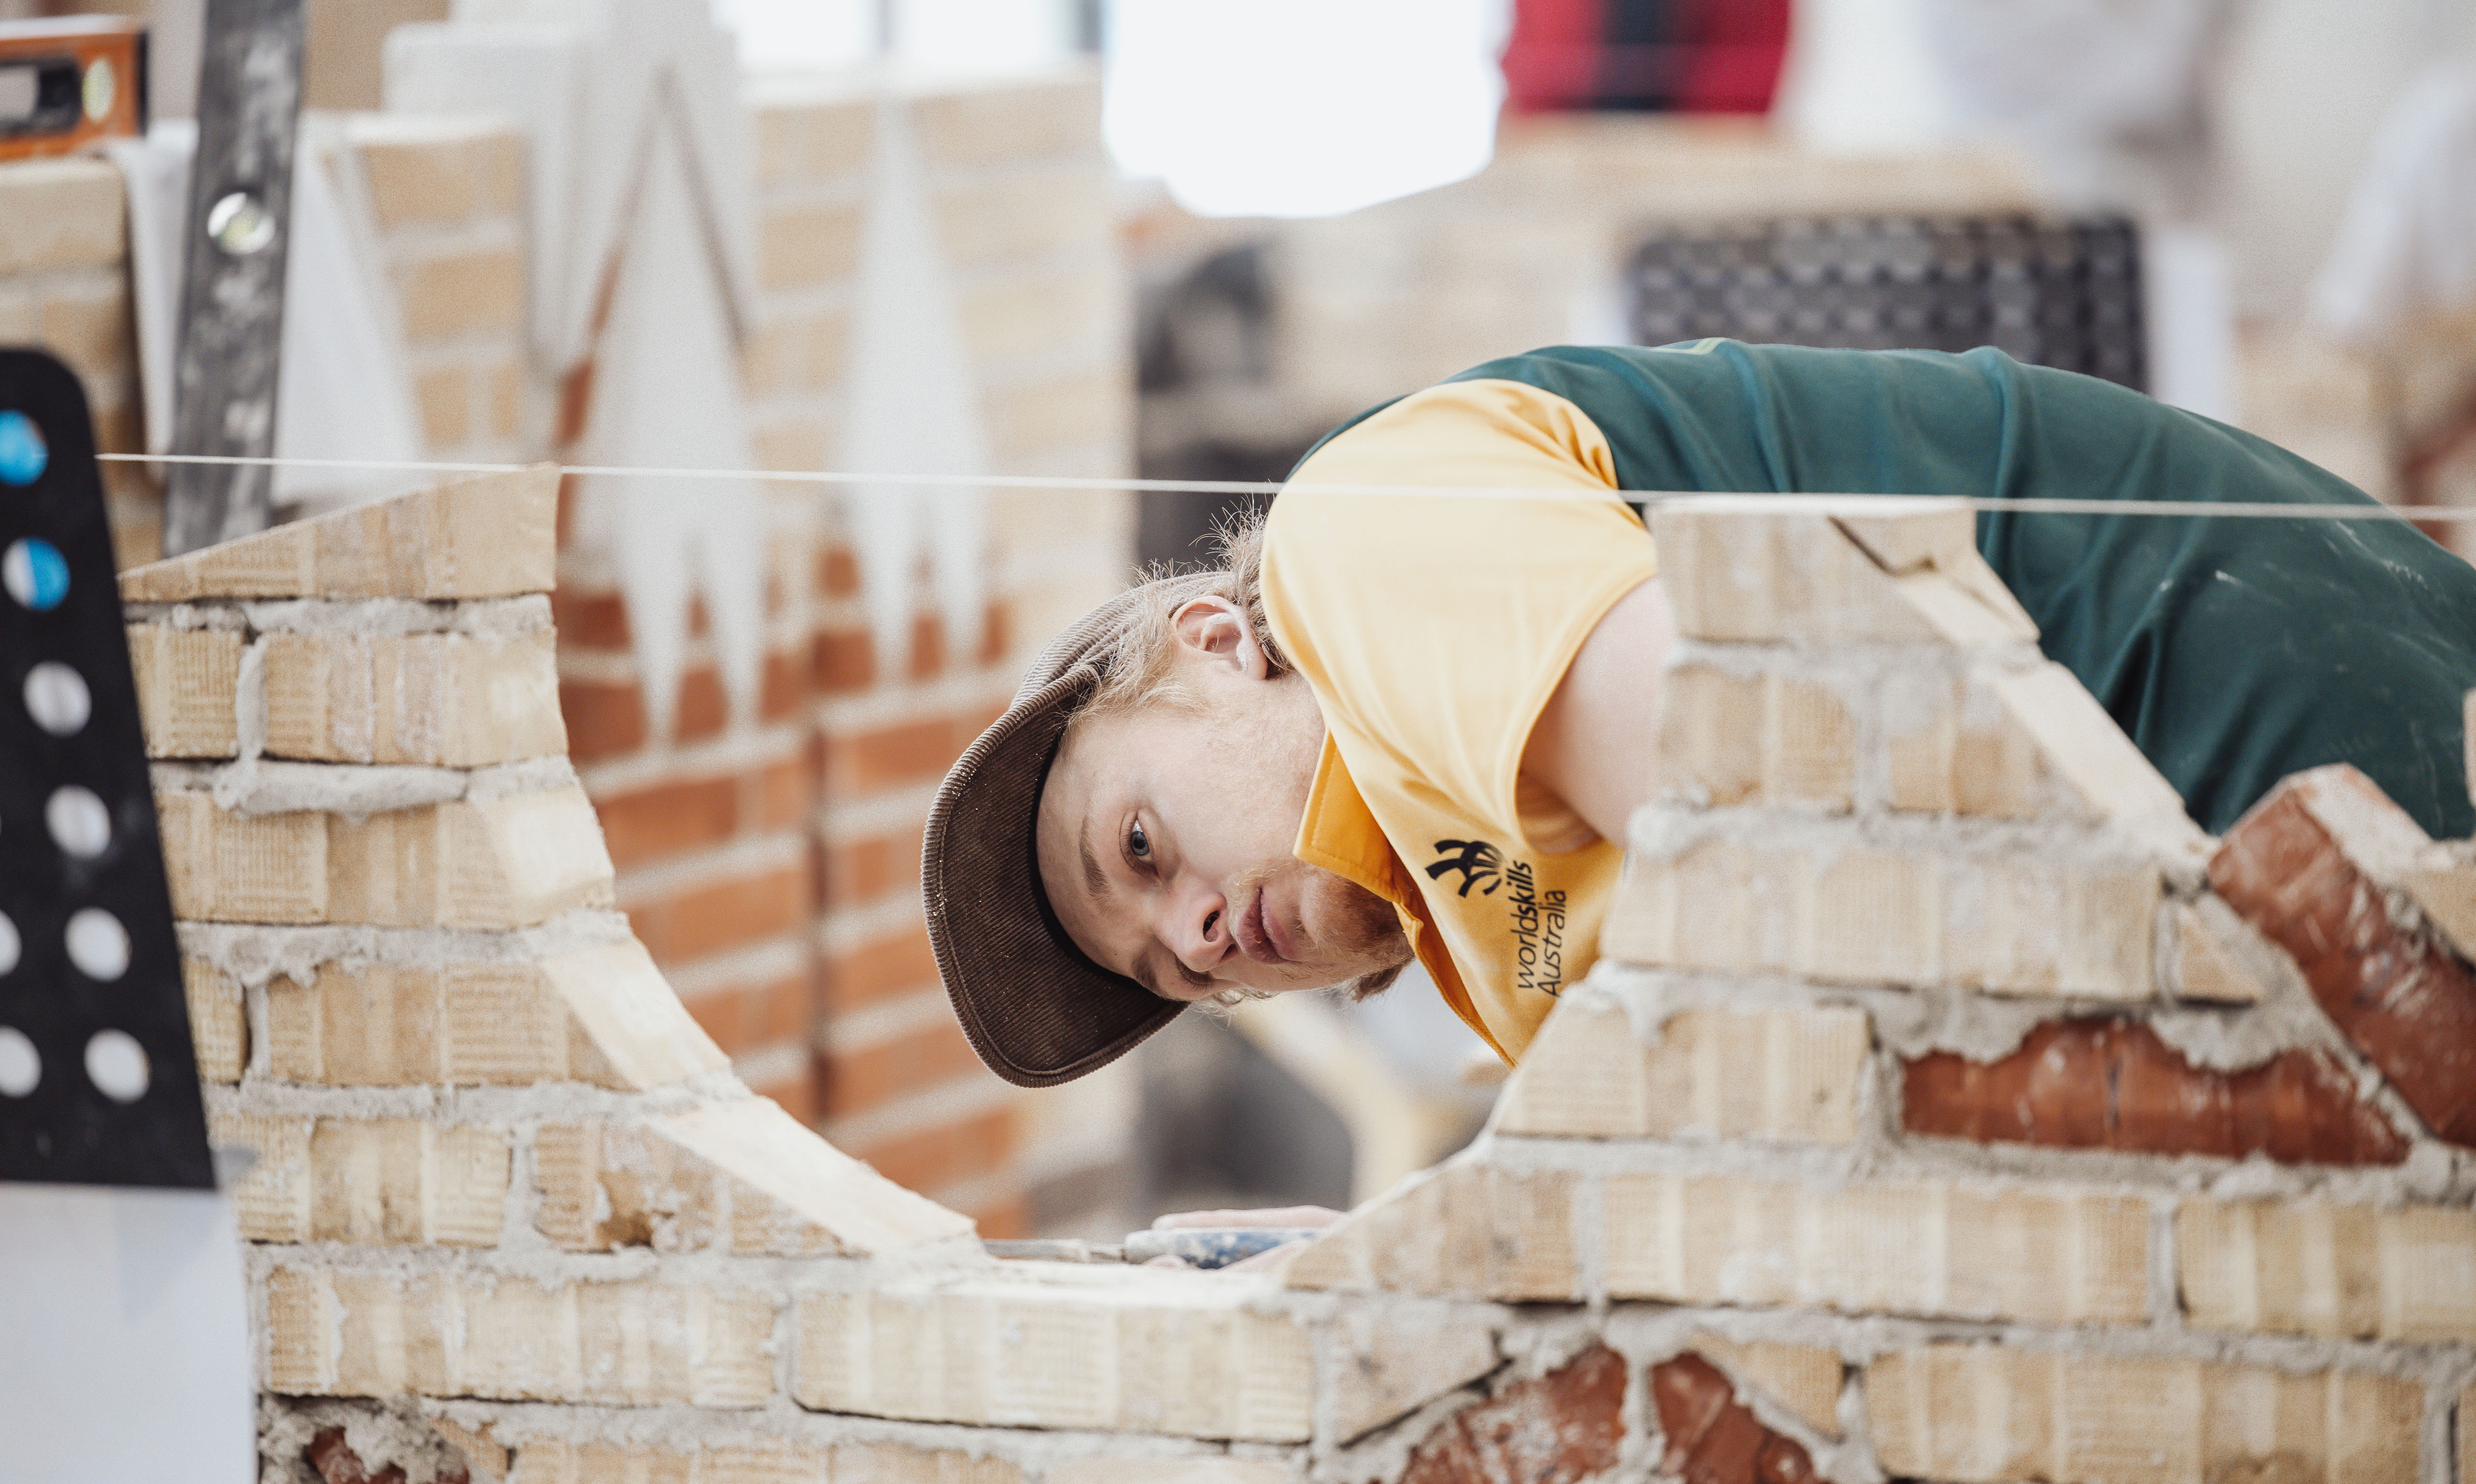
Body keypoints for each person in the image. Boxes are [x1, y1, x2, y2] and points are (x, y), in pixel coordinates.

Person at [923, 340, 2476, 1082]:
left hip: (2233, 711)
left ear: (1212, 644)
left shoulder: (1364, 538)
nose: (1196, 938)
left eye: (1140, 847)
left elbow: (1774, 810)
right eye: (1171, 969)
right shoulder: (1480, 931)